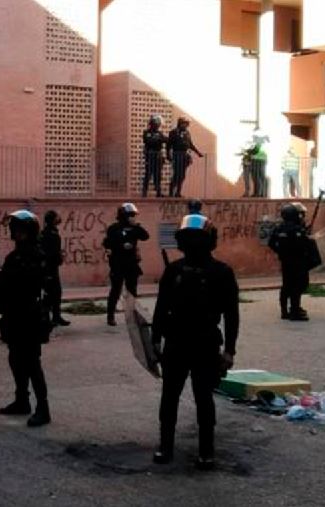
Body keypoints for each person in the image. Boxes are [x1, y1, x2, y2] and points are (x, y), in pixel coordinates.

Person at [151, 213, 239, 471]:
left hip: (205, 343)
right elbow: (161, 307)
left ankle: (206, 450)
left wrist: (230, 351)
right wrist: (155, 340)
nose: (191, 244)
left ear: (208, 241)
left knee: (204, 398)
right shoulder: (174, 270)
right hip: (176, 342)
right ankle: (165, 446)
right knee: (169, 396)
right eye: (187, 238)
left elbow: (232, 314)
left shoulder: (221, 272)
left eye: (196, 238)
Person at [0, 210, 52, 427]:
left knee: (32, 363)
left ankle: (43, 408)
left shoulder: (37, 256)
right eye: (14, 229)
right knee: (15, 359)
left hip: (30, 316)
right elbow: (2, 289)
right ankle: (21, 400)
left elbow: (31, 285)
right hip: (14, 315)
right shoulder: (13, 257)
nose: (15, 233)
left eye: (19, 230)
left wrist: (3, 279)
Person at [102, 203, 150, 326]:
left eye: (134, 215)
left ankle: (132, 315)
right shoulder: (114, 228)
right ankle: (110, 316)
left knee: (132, 290)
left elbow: (145, 236)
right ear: (124, 215)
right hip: (118, 263)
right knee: (115, 290)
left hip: (131, 264)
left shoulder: (134, 228)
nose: (133, 217)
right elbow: (107, 244)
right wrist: (120, 246)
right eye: (131, 215)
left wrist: (136, 226)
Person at [268, 203, 312, 321]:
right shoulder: (298, 229)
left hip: (285, 261)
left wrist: (280, 252)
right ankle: (294, 311)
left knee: (286, 285)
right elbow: (306, 245)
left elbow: (271, 243)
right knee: (297, 286)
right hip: (298, 262)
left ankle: (284, 311)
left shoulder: (278, 228)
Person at [40, 210, 70, 327]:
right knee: (50, 294)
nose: (59, 219)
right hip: (50, 268)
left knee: (56, 293)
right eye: (57, 217)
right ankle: (48, 319)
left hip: (50, 267)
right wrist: (59, 257)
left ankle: (56, 317)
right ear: (53, 220)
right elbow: (51, 252)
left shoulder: (45, 233)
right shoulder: (51, 234)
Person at [167, 118, 204, 198]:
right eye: (185, 123)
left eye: (187, 124)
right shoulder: (173, 132)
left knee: (182, 175)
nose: (187, 125)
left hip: (184, 155)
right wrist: (168, 155)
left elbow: (190, 144)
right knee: (177, 174)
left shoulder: (187, 132)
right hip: (177, 155)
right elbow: (168, 145)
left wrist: (198, 153)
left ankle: (178, 192)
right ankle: (171, 192)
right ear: (180, 123)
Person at [142, 115, 168, 198]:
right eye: (157, 124)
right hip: (150, 156)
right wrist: (159, 140)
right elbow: (148, 141)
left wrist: (159, 139)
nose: (158, 125)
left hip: (158, 156)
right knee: (148, 174)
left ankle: (158, 192)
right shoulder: (146, 132)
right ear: (153, 123)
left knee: (158, 175)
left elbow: (165, 140)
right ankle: (144, 192)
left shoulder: (159, 133)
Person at [248, 130, 269, 198]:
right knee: (256, 177)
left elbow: (256, 150)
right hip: (257, 160)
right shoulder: (256, 142)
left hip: (259, 160)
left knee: (258, 177)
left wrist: (250, 153)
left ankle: (260, 193)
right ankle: (258, 192)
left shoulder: (260, 141)